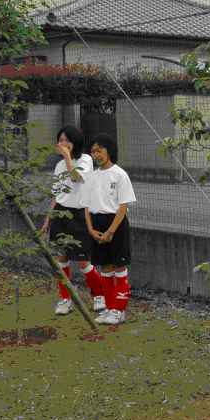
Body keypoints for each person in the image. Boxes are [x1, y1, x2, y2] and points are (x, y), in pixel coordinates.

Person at [41, 126, 104, 315]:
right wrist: (47, 220)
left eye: (66, 140)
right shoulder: (58, 166)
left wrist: (68, 157)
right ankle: (65, 299)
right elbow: (56, 196)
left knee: (84, 262)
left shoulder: (86, 160)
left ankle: (99, 295)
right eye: (60, 140)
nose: (62, 144)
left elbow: (76, 178)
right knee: (61, 259)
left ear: (74, 142)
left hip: (79, 215)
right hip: (61, 214)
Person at [82, 133, 136, 325]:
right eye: (93, 151)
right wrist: (90, 229)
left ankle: (119, 310)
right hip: (96, 225)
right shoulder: (91, 177)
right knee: (104, 267)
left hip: (116, 225)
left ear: (109, 151)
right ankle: (109, 308)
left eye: (99, 150)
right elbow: (86, 205)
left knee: (119, 266)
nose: (96, 154)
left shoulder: (120, 174)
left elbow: (123, 207)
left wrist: (111, 231)